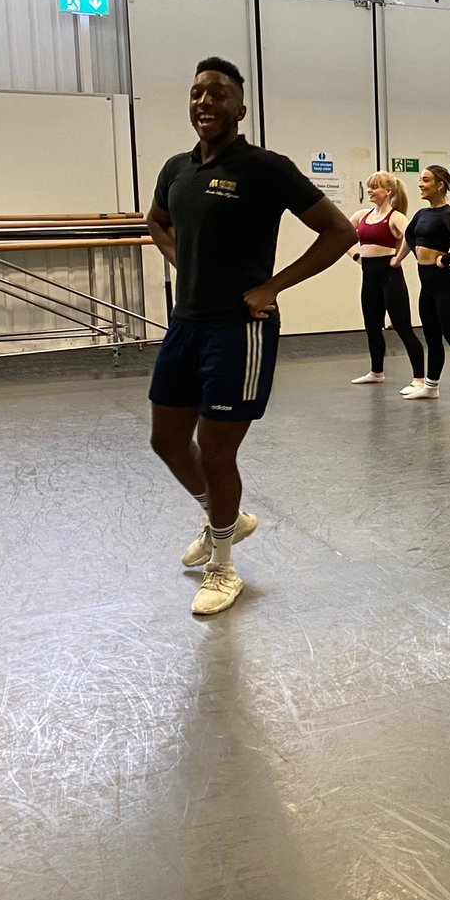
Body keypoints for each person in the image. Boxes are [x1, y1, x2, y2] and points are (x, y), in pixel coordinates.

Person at [146, 57, 355, 615]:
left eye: (217, 95)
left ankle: (222, 566)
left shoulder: (265, 168)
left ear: (240, 109)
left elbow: (340, 232)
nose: (204, 103)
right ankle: (227, 519)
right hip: (185, 324)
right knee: (166, 440)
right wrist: (179, 258)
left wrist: (274, 286)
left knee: (217, 451)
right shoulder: (176, 169)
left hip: (239, 331)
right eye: (196, 94)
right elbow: (157, 222)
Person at [392, 165, 450, 413]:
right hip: (427, 284)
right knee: (432, 339)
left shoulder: (447, 214)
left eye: (425, 180)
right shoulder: (420, 214)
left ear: (439, 185)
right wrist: (398, 259)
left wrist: (445, 260)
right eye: (420, 180)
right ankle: (431, 386)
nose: (420, 184)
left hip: (446, 285)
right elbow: (409, 237)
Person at [348, 172, 424, 393]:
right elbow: (341, 234)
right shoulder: (362, 215)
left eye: (375, 187)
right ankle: (376, 372)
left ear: (388, 191)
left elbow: (414, 238)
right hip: (369, 276)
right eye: (369, 187)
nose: (370, 190)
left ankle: (419, 379)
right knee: (372, 327)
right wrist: (355, 256)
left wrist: (398, 258)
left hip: (390, 277)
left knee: (403, 328)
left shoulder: (395, 217)